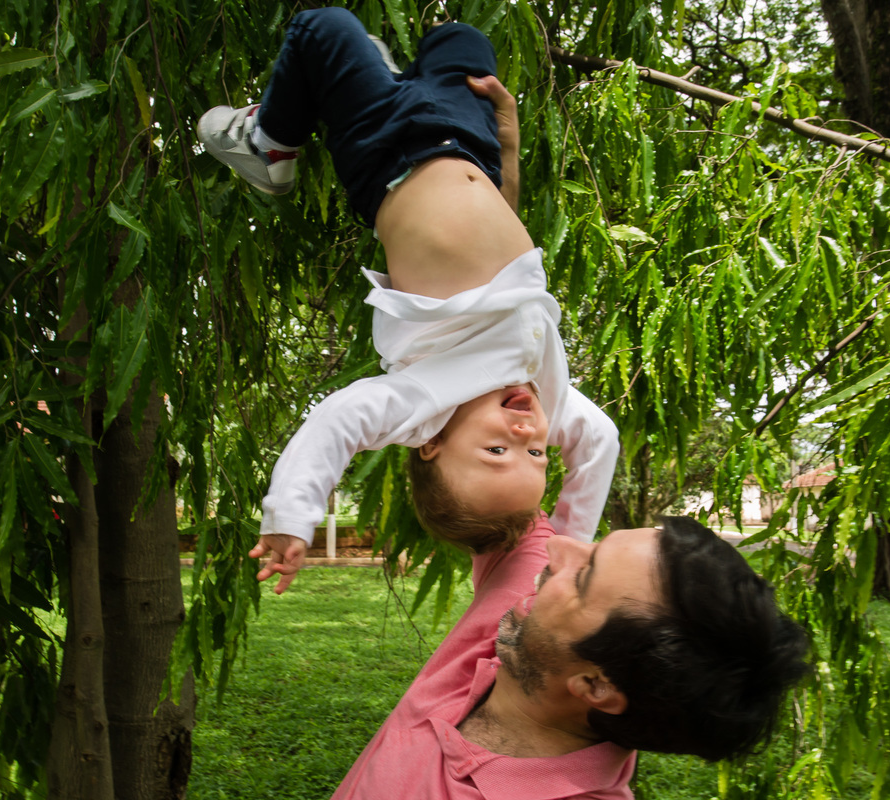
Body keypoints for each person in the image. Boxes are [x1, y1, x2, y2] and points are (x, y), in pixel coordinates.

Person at [197, 8, 620, 592]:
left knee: (323, 30)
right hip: (474, 150)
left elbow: (337, 422)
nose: (527, 438)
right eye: (539, 458)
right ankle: (394, 69)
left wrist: (291, 515)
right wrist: (570, 554)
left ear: (432, 445)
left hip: (388, 151)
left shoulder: (423, 404)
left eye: (498, 449)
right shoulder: (545, 396)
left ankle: (269, 146)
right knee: (462, 41)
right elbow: (600, 443)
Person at [331, 514, 811, 798]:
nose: (557, 547)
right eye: (595, 545)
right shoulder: (525, 634)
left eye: (584, 577)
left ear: (596, 686)